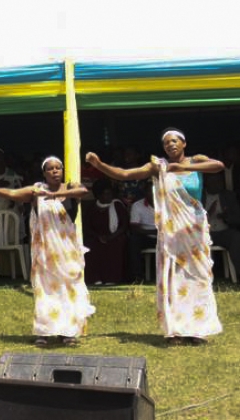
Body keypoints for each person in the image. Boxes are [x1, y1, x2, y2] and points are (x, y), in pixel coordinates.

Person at [86, 128, 224, 344]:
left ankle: (197, 329)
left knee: (198, 276)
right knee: (173, 277)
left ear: (184, 143)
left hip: (193, 229)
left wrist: (183, 166)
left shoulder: (196, 160)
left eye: (175, 141)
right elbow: (125, 174)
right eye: (167, 143)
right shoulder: (158, 166)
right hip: (171, 232)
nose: (171, 145)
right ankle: (176, 329)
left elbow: (218, 166)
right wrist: (99, 165)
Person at [0, 156, 94, 346]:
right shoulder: (36, 191)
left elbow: (84, 191)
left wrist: (55, 196)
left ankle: (68, 332)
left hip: (67, 252)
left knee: (68, 290)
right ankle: (44, 332)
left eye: (58, 168)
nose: (55, 172)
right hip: (45, 253)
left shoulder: (71, 188)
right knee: (45, 291)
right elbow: (12, 193)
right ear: (44, 173)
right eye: (50, 169)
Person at [83, 179, 129, 285]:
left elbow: (124, 225)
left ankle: (112, 278)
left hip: (115, 236)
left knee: (115, 246)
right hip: (96, 237)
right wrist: (98, 236)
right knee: (90, 246)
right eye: (105, 194)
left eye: (109, 194)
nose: (108, 197)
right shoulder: (91, 208)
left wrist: (111, 237)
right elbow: (87, 227)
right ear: (98, 196)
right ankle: (95, 279)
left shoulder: (117, 205)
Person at [203, 171, 240, 275]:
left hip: (223, 232)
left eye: (219, 181)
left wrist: (227, 217)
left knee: (236, 237)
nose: (217, 184)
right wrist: (208, 213)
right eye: (213, 181)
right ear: (206, 182)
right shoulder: (199, 196)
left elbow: (237, 218)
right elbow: (191, 219)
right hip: (204, 233)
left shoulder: (229, 196)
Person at [128, 182, 157, 283]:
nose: (153, 193)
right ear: (145, 192)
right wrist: (153, 231)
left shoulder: (167, 203)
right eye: (150, 191)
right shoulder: (137, 205)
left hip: (164, 236)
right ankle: (138, 277)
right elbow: (134, 227)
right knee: (133, 240)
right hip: (146, 236)